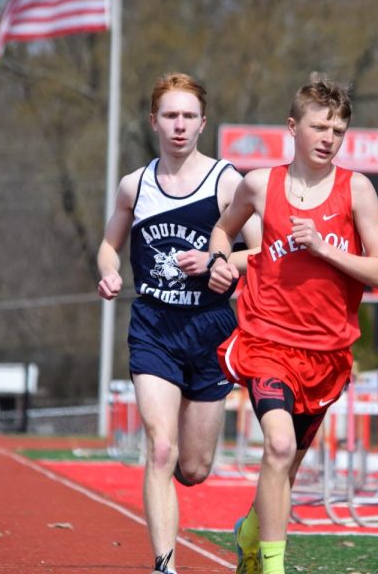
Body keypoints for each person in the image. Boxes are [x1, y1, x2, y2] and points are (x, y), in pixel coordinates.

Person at [207, 73, 378, 574]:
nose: (328, 138)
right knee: (279, 444)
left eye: (337, 129)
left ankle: (250, 532)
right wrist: (219, 262)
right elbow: (222, 232)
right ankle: (272, 567)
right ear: (293, 127)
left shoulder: (357, 190)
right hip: (266, 339)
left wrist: (325, 247)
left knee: (285, 467)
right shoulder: (259, 184)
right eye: (319, 127)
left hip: (326, 352)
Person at [97, 72, 260, 574]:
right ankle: (164, 565)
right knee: (160, 447)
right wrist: (109, 271)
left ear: (203, 123)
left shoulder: (227, 182)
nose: (180, 126)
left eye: (189, 116)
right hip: (153, 328)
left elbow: (264, 250)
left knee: (193, 468)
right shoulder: (135, 185)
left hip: (210, 329)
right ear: (154, 122)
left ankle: (239, 531)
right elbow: (109, 245)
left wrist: (220, 263)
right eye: (170, 115)